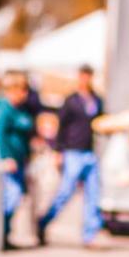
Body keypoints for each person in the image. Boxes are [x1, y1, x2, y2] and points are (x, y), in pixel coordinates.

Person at [37, 64, 104, 247]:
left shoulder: (97, 100)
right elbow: (61, 127)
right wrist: (59, 151)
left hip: (89, 152)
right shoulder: (71, 100)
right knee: (65, 192)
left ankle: (89, 235)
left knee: (93, 194)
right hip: (73, 151)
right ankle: (43, 222)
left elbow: (100, 122)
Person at [0, 72, 36, 250]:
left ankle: (5, 233)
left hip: (18, 158)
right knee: (11, 195)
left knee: (14, 196)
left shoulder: (22, 109)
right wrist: (6, 157)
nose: (24, 94)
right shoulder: (3, 108)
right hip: (7, 158)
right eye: (22, 90)